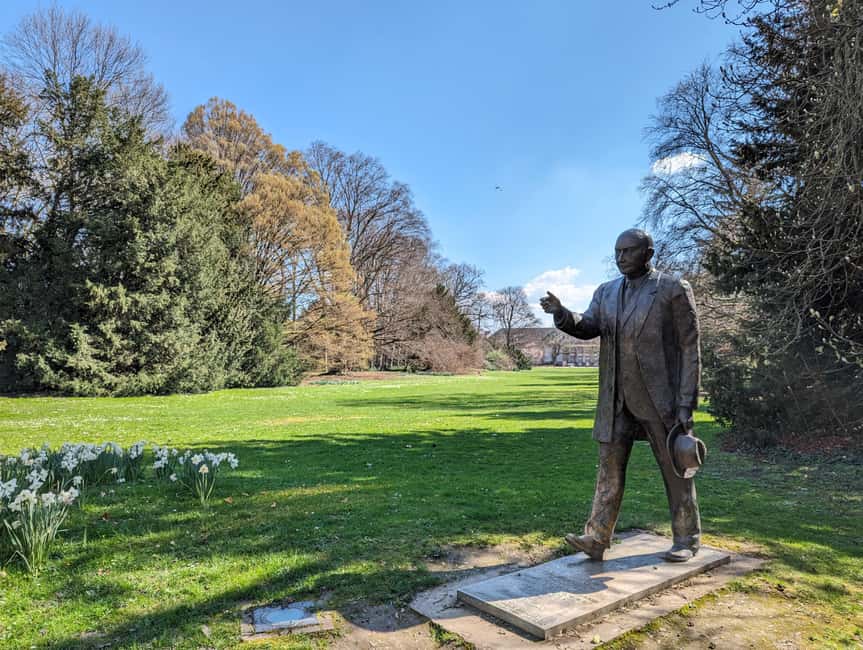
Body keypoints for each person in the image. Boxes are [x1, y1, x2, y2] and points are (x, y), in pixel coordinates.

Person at [540, 228, 702, 562]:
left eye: (628, 251)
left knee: (674, 470)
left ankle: (687, 538)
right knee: (608, 469)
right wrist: (562, 313)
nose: (621, 257)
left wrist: (687, 403)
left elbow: (690, 348)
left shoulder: (672, 289)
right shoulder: (606, 292)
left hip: (660, 399)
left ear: (649, 253)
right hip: (615, 398)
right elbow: (588, 326)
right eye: (617, 252)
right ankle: (597, 538)